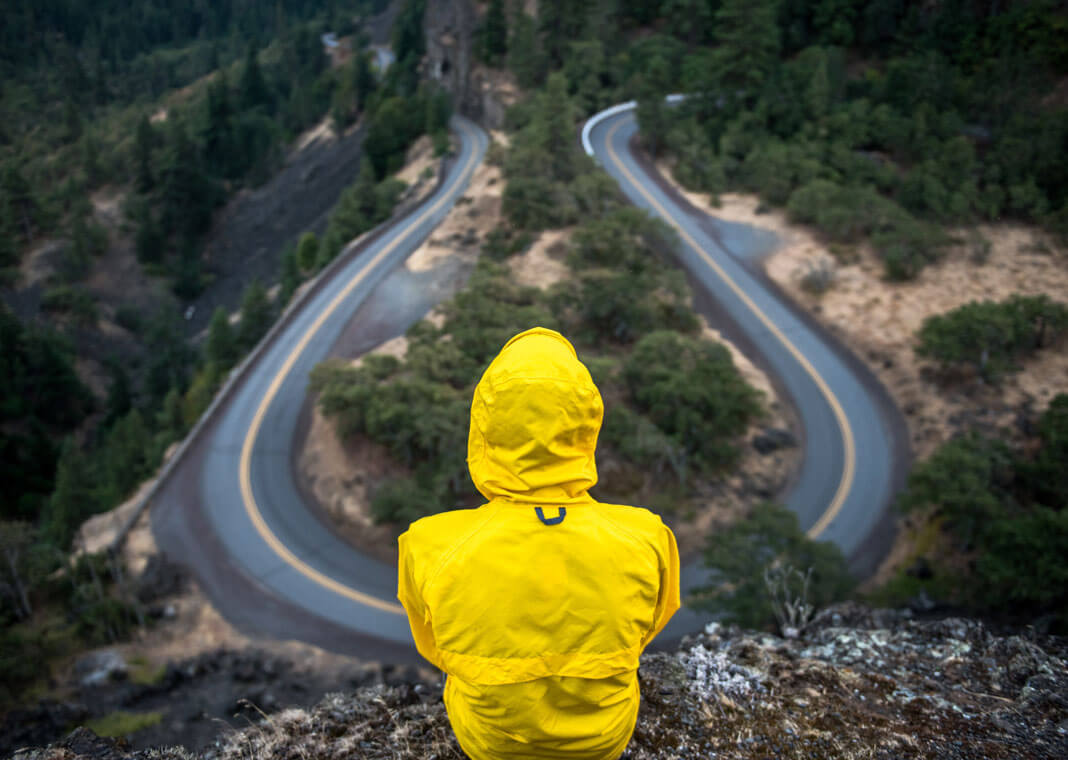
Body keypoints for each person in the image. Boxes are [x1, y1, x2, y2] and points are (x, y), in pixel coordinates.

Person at [397, 326, 680, 760]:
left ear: (483, 430)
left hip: (490, 745)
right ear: (587, 426)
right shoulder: (647, 537)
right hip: (603, 741)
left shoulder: (428, 544)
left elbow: (436, 648)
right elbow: (645, 631)